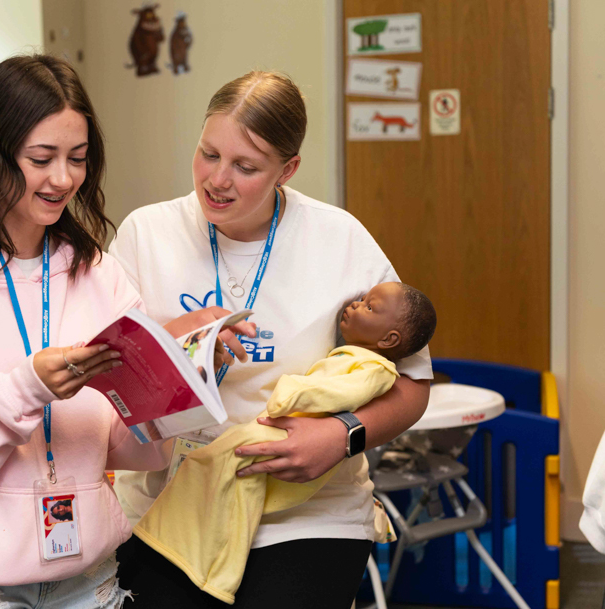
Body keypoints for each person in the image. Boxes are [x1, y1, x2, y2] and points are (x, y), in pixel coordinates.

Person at [0, 55, 252, 609]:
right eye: (41, 158)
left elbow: (126, 448)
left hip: (85, 578)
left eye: (77, 158)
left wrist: (184, 372)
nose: (63, 179)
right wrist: (26, 388)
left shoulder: (99, 273)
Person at [109, 71, 434, 608]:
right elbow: (107, 372)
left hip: (307, 509)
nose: (218, 179)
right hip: (170, 503)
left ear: (287, 169)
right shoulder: (147, 234)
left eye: (246, 166)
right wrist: (181, 346)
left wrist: (340, 436)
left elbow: (413, 383)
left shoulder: (339, 239)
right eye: (208, 153)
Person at [134, 282, 437, 604]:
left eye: (369, 307)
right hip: (198, 459)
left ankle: (211, 566)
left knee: (219, 470)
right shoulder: (351, 357)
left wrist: (292, 393)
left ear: (389, 339)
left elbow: (342, 393)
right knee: (216, 475)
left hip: (295, 445)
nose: (354, 305)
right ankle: (201, 554)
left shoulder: (373, 367)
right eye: (362, 299)